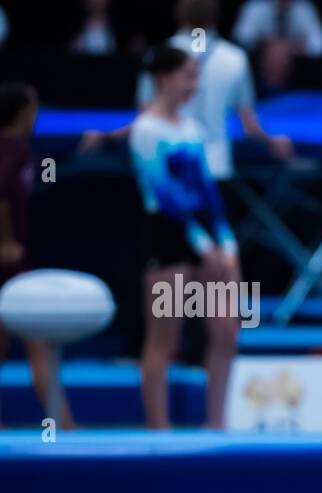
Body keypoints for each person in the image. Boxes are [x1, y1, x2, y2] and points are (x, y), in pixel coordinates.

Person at [129, 46, 240, 429]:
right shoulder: (146, 129)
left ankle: (217, 424)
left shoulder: (191, 128)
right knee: (166, 338)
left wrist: (226, 242)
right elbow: (164, 193)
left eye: (196, 76)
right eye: (188, 76)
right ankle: (158, 429)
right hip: (170, 236)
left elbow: (207, 191)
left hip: (208, 236)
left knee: (226, 333)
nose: (194, 85)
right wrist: (200, 243)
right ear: (164, 78)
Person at [81, 0, 293, 194]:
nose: (191, 86)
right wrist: (272, 141)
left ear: (178, 13)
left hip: (168, 166)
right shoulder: (235, 58)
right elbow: (249, 125)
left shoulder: (158, 56)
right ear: (215, 16)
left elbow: (144, 119)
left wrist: (106, 136)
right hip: (214, 166)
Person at [0, 82, 74, 427]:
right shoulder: (8, 149)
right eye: (34, 109)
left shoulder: (23, 150)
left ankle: (63, 421)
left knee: (31, 346)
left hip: (14, 263)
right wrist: (6, 242)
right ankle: (65, 424)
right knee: (38, 345)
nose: (37, 115)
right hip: (8, 262)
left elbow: (46, 175)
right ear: (21, 112)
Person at [232, 0, 322, 90]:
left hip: (298, 76)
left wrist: (291, 46)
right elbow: (242, 38)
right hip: (257, 62)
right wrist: (269, 44)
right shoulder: (255, 7)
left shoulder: (304, 8)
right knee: (276, 49)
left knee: (279, 50)